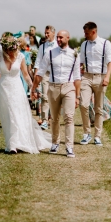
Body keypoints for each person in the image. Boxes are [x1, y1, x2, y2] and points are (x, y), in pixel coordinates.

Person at [0, 35, 51, 154]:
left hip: (17, 89)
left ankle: (19, 142)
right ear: (5, 48)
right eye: (9, 50)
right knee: (8, 116)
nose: (11, 52)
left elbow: (25, 74)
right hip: (4, 89)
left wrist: (32, 87)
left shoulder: (20, 56)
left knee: (18, 115)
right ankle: (11, 144)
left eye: (13, 49)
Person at [31, 30, 81, 158]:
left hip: (69, 87)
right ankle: (55, 143)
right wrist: (34, 88)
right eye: (57, 37)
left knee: (69, 117)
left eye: (61, 37)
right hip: (53, 87)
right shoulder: (50, 53)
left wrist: (77, 96)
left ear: (68, 38)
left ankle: (69, 147)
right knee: (54, 118)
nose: (58, 40)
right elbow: (41, 72)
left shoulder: (74, 54)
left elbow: (77, 76)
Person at [79, 22, 111, 147]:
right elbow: (81, 62)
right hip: (87, 77)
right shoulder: (84, 44)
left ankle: (97, 136)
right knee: (83, 104)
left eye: (87, 33)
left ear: (93, 32)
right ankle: (86, 133)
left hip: (101, 77)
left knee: (98, 108)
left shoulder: (106, 44)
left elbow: (110, 61)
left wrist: (107, 77)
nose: (85, 35)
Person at [33, 25, 58, 130]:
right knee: (45, 97)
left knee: (56, 98)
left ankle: (54, 118)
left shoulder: (59, 45)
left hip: (57, 74)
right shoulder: (42, 47)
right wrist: (36, 77)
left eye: (48, 33)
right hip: (45, 74)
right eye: (45, 33)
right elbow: (38, 62)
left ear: (53, 33)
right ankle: (44, 120)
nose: (46, 35)